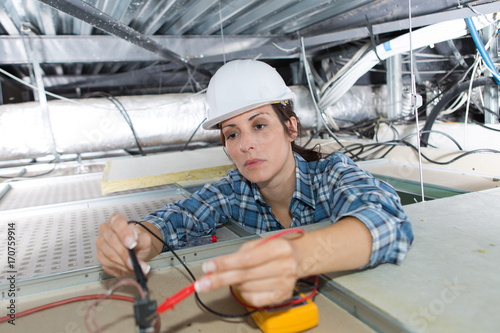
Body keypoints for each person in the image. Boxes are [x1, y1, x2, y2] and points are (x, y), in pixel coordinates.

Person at [95, 59, 413, 307]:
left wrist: (294, 257)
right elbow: (180, 217)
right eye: (232, 133)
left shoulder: (331, 174)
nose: (246, 144)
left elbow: (387, 221)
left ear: (291, 127)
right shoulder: (234, 190)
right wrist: (141, 240)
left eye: (259, 125)